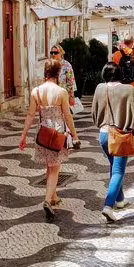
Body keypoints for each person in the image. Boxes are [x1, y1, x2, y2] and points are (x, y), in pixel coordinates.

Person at [19, 60, 80, 220]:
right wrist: (75, 135)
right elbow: (67, 116)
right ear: (58, 73)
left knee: (50, 166)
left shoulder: (36, 91)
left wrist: (23, 135)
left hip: (43, 133)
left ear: (45, 72)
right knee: (55, 168)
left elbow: (31, 115)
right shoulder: (61, 92)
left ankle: (54, 196)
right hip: (57, 134)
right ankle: (47, 200)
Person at [91, 62, 134, 222]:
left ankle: (120, 200)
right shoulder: (128, 89)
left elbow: (94, 112)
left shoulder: (99, 88)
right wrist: (133, 129)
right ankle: (108, 206)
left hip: (103, 134)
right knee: (119, 171)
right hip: (119, 134)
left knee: (114, 166)